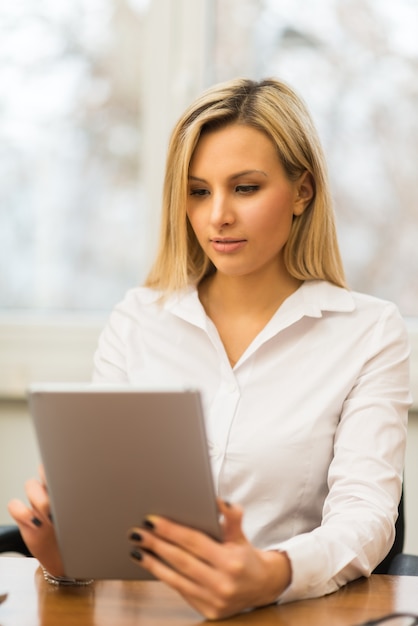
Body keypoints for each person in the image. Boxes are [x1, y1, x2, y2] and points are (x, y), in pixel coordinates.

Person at [8, 78, 411, 620]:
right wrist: (67, 556)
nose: (217, 215)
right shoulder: (138, 320)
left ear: (302, 191)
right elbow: (105, 517)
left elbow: (366, 516)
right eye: (199, 191)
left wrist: (273, 573)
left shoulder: (370, 331)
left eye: (244, 188)